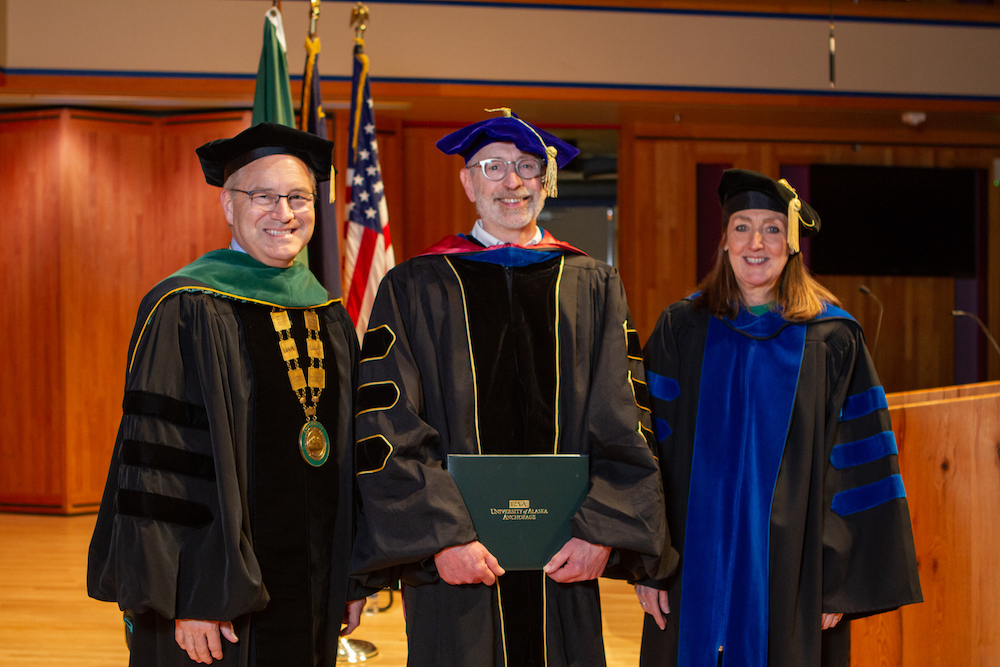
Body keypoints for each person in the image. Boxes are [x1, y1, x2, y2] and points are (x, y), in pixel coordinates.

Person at [350, 108, 674, 667]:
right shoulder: (416, 285)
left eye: (528, 166)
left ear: (547, 180)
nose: (513, 182)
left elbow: (623, 415)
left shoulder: (592, 284)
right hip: (454, 569)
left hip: (565, 560)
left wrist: (602, 531)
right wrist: (441, 539)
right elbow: (388, 424)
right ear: (468, 181)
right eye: (494, 166)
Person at [88, 122, 371, 666]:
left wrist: (351, 575)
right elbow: (159, 463)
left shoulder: (330, 315)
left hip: (311, 584)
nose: (283, 213)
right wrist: (190, 595)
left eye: (298, 197)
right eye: (263, 196)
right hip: (213, 600)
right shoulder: (185, 308)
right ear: (228, 205)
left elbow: (349, 461)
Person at [637, 169, 922, 667]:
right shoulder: (681, 330)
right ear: (723, 240)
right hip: (689, 571)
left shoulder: (833, 339)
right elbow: (648, 453)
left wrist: (836, 582)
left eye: (772, 228)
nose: (756, 242)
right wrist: (649, 564)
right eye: (742, 226)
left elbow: (856, 463)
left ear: (792, 245)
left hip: (795, 575)